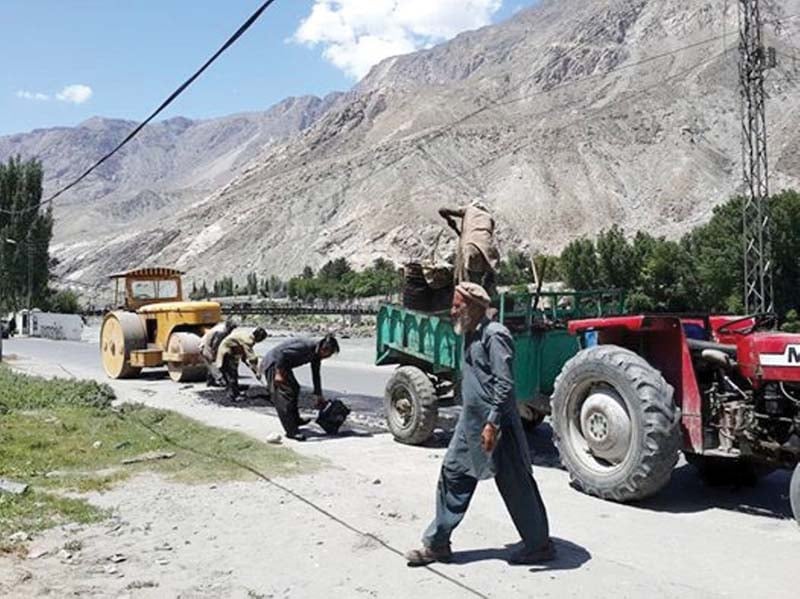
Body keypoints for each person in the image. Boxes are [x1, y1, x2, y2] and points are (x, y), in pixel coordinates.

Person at [405, 282, 554, 567]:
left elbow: (504, 384)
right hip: (470, 423)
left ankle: (539, 545)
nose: (452, 311)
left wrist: (492, 423)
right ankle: (437, 544)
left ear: (473, 307)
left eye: (456, 305)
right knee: (453, 473)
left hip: (496, 426)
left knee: (516, 482)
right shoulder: (469, 333)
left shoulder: (495, 335)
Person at [257, 334, 340, 441]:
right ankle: (291, 431)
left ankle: (295, 419)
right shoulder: (305, 346)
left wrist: (318, 394)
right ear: (324, 348)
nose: (328, 356)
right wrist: (278, 373)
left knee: (295, 388)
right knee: (284, 396)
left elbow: (316, 374)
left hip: (284, 365)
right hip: (274, 363)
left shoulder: (317, 355)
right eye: (330, 353)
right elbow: (281, 354)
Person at [438, 201, 499, 295]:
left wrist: (449, 220)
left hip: (471, 247)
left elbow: (442, 210)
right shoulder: (489, 217)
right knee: (488, 283)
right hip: (488, 249)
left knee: (472, 286)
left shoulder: (469, 210)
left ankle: (472, 304)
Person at [214, 326, 268, 401]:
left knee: (232, 374)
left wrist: (249, 365)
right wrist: (257, 372)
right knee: (232, 375)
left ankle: (234, 393)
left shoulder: (247, 336)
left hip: (229, 352)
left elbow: (244, 357)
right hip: (226, 353)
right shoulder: (248, 341)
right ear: (259, 337)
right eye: (262, 339)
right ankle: (233, 396)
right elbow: (252, 358)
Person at [199, 319, 236, 386]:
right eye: (231, 328)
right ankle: (221, 380)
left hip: (210, 343)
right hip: (207, 345)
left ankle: (210, 381)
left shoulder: (223, 328)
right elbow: (215, 343)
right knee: (212, 362)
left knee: (211, 362)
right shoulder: (220, 331)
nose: (231, 330)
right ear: (228, 326)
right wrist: (215, 353)